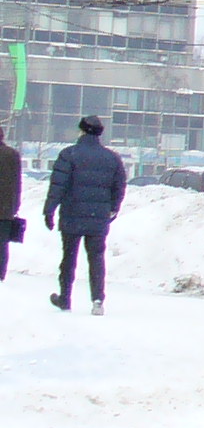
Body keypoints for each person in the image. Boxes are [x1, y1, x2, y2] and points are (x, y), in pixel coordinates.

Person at [45, 115, 127, 317]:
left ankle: (65, 298)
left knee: (69, 258)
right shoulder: (112, 158)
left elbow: (58, 186)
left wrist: (49, 210)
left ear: (81, 131)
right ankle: (97, 300)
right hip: (98, 217)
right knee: (97, 259)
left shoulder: (69, 155)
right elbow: (119, 187)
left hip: (72, 215)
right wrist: (113, 209)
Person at [0, 123, 21, 281]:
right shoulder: (12, 154)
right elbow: (17, 182)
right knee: (2, 244)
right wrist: (15, 205)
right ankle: (1, 274)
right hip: (5, 208)